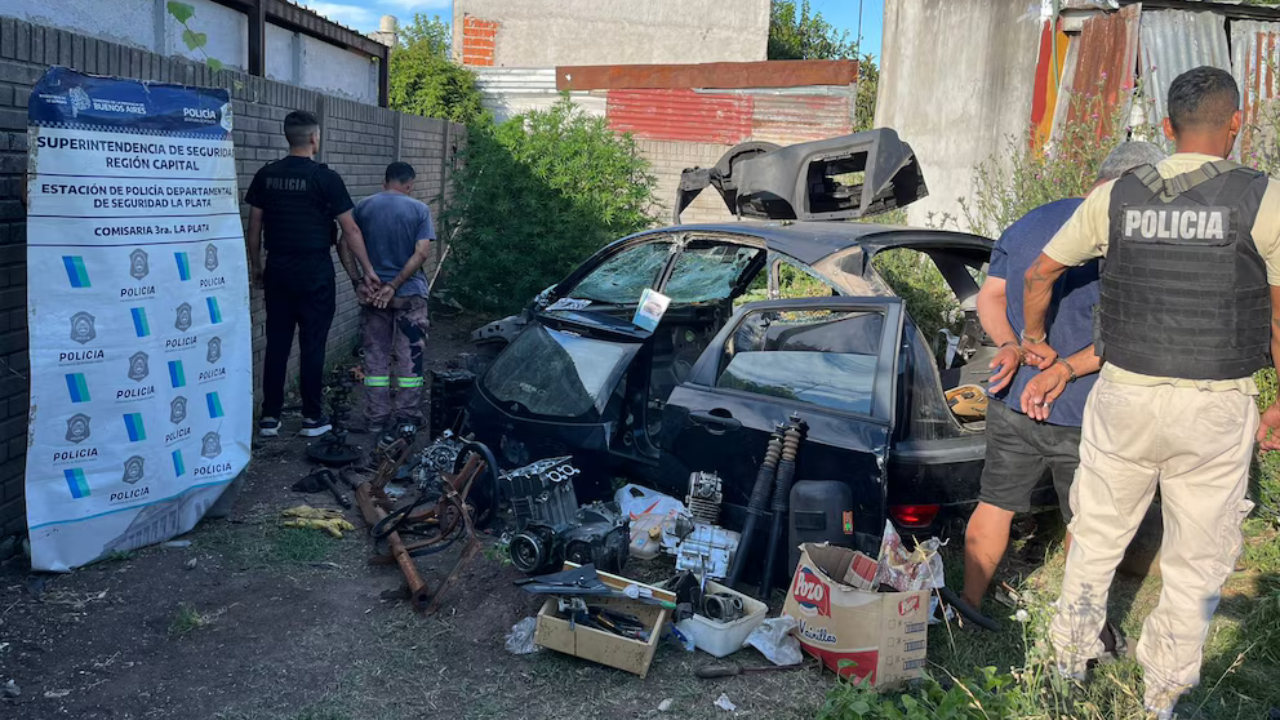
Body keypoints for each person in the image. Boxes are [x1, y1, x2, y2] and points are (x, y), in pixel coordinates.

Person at [1020, 66, 1280, 719]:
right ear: (1235, 123)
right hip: (1215, 403)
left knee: (1098, 533)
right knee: (1197, 559)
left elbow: (1042, 272)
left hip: (1125, 393)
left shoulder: (1119, 196)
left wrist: (1034, 339)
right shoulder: (1264, 198)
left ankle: (1067, 664)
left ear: (1166, 128)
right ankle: (1160, 697)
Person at [960, 141, 1167, 612]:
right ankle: (1075, 623)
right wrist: (1065, 367)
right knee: (1085, 523)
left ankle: (968, 605)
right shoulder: (1129, 233)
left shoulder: (1031, 221)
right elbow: (1129, 332)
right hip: (1084, 409)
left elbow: (989, 299)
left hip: (1011, 399)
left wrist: (1013, 344)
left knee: (995, 504)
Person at [245, 110, 377, 438]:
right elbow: (351, 230)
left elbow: (254, 227)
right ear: (314, 138)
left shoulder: (266, 175)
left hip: (278, 268)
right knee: (313, 343)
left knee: (277, 342)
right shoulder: (325, 178)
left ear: (288, 136)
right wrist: (369, 270)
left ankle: (269, 418)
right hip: (315, 271)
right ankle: (311, 418)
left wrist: (256, 267)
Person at [343, 162, 435, 435]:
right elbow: (421, 254)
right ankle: (407, 418)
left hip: (373, 296)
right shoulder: (419, 209)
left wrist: (358, 281)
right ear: (410, 185)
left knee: (376, 359)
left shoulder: (363, 207)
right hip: (409, 295)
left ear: (385, 183)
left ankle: (376, 418)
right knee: (410, 357)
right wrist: (395, 285)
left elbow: (343, 243)